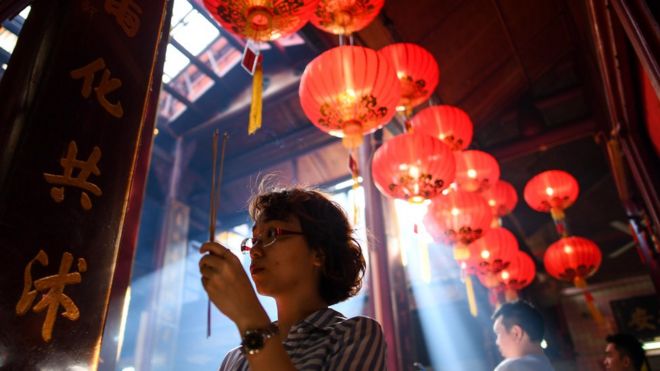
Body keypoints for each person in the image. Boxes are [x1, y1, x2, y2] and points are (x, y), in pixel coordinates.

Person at [199, 186, 386, 370]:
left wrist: (250, 319)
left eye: (272, 233)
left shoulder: (353, 334)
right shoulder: (236, 358)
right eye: (254, 240)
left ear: (318, 254)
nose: (255, 251)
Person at [491, 300, 554, 371]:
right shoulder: (547, 366)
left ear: (516, 333)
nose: (497, 342)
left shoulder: (509, 368)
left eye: (498, 333)